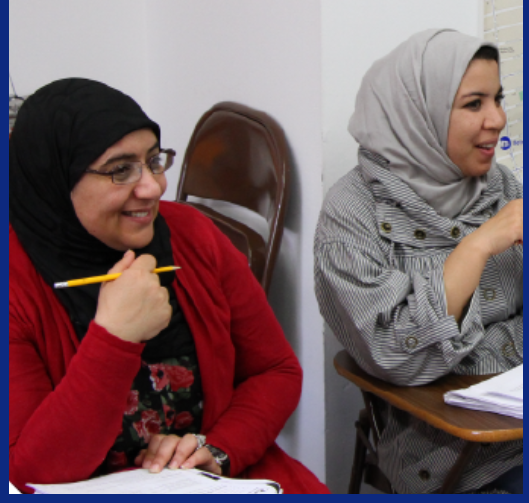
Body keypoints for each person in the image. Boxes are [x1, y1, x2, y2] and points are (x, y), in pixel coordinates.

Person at [9, 78, 329, 494]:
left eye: (155, 160)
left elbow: (275, 370)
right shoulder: (16, 281)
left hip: (215, 480)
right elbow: (31, 470)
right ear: (53, 179)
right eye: (121, 170)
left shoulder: (193, 236)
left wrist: (217, 449)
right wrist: (114, 339)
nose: (153, 186)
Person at [314, 29, 522, 494]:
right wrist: (477, 245)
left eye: (498, 99)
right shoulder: (352, 214)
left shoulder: (501, 187)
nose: (498, 119)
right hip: (450, 455)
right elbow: (393, 354)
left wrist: (482, 349)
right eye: (474, 104)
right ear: (416, 114)